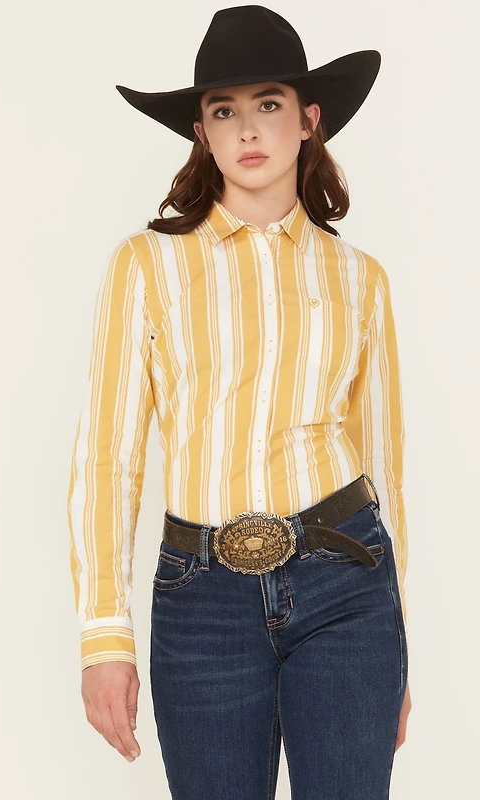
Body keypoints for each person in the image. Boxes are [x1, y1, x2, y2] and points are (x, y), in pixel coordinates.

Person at [67, 6, 411, 798]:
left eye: (269, 104)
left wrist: (400, 642)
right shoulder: (145, 267)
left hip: (347, 587)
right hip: (201, 601)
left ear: (309, 120)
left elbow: (385, 470)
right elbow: (109, 456)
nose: (247, 128)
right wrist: (104, 636)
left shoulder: (360, 280)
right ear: (202, 133)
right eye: (224, 111)